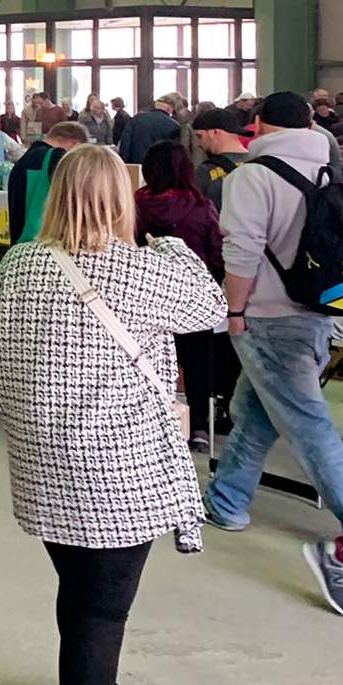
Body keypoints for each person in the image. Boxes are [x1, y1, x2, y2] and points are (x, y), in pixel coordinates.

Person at [0, 143, 224, 685]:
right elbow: (210, 309)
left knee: (81, 590)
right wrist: (171, 247)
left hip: (40, 461)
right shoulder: (144, 268)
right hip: (117, 465)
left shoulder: (21, 264)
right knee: (101, 608)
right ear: (122, 200)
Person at [204, 92, 343, 616]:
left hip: (266, 314)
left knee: (308, 425)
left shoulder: (252, 176)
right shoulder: (332, 167)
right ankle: (227, 502)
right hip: (319, 310)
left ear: (257, 124)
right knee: (256, 412)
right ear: (311, 121)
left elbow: (240, 253)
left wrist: (232, 312)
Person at [135, 139, 224, 451]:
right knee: (198, 362)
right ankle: (199, 427)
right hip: (191, 296)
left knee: (146, 361)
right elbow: (216, 253)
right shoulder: (201, 207)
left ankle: (153, 422)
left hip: (145, 295)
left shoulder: (136, 203)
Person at [7, 122, 90, 245]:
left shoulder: (23, 160)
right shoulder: (57, 158)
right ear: (76, 145)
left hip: (21, 242)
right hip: (45, 241)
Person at [190, 107, 249, 209]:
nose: (198, 143)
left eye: (200, 136)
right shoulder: (260, 164)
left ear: (214, 133)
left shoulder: (204, 172)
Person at [116, 95, 182, 165]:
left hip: (136, 164)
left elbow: (125, 142)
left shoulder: (137, 118)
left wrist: (125, 162)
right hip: (160, 167)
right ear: (170, 109)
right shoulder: (174, 126)